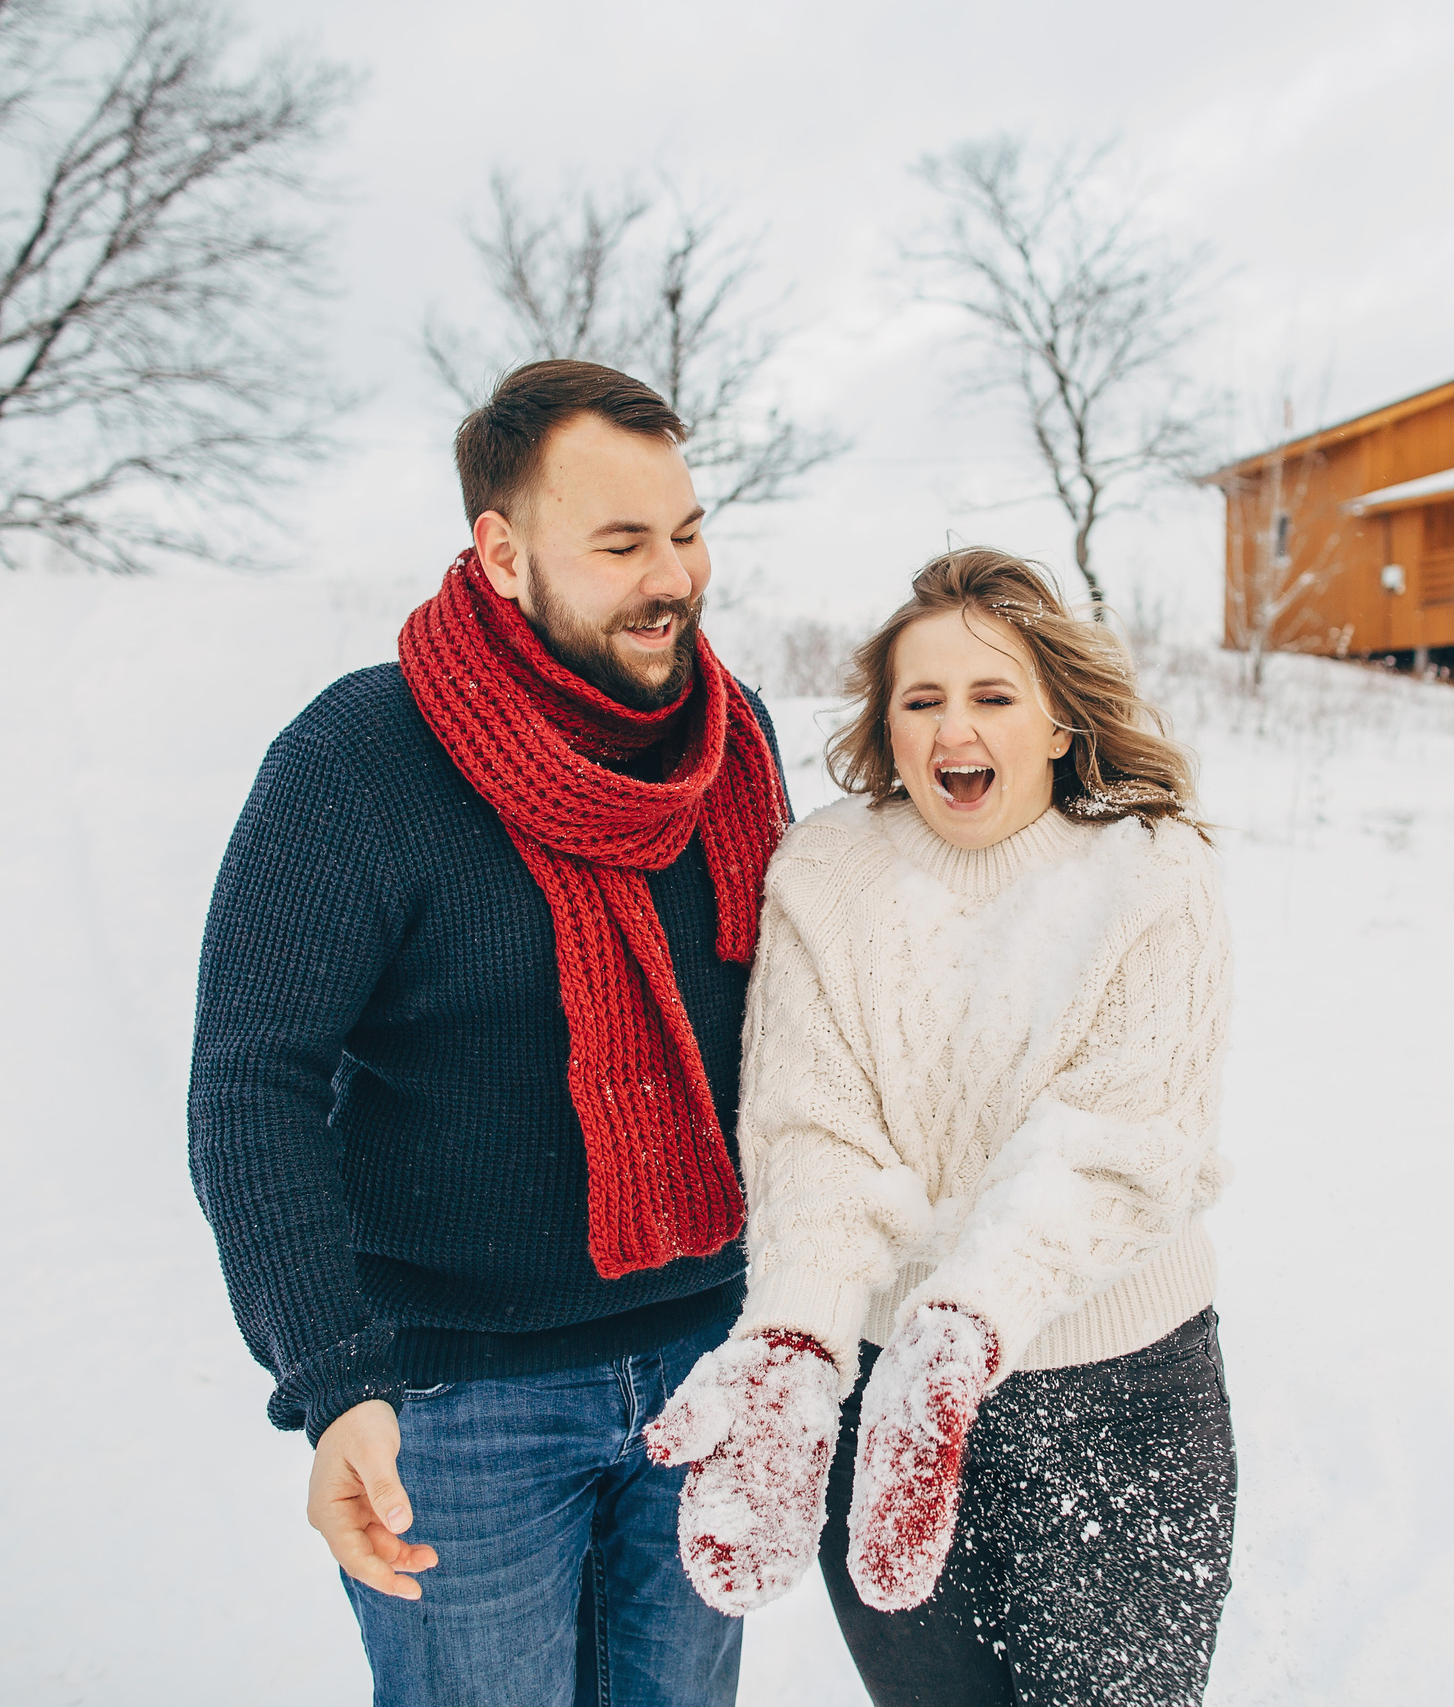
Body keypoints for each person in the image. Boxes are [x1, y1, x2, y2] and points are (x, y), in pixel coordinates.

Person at [188, 359, 788, 1705]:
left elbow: (791, 1028)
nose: (673, 579)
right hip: (460, 1407)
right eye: (622, 544)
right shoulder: (360, 760)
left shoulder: (729, 743)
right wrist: (332, 1378)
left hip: (708, 1356)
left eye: (688, 532)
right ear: (504, 554)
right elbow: (250, 1084)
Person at [645, 548, 1238, 1705]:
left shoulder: (1153, 871)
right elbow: (811, 1132)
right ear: (888, 725)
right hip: (883, 1399)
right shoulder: (825, 871)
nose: (952, 727)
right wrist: (798, 1340)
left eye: (992, 695)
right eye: (920, 700)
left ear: (1059, 722)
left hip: (1119, 1393)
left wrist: (967, 1326)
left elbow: (1122, 1144)